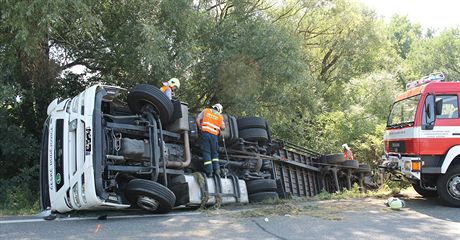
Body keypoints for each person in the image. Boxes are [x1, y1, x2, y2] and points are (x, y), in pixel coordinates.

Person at [196, 103, 225, 177]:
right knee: (215, 154)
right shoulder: (220, 116)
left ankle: (209, 172)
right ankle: (217, 170)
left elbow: (198, 119)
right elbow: (223, 127)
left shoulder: (206, 111)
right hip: (214, 136)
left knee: (207, 153)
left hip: (205, 134)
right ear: (219, 110)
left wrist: (200, 127)